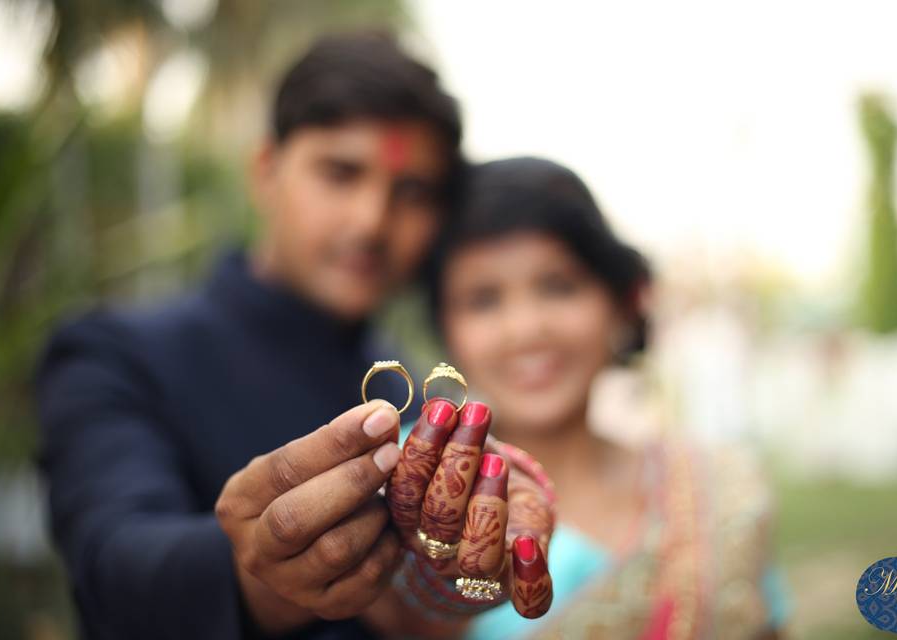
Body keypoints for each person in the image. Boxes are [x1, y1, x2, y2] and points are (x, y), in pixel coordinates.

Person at [35, 34, 553, 640]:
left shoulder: (414, 396)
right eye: (341, 173)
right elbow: (112, 564)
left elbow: (423, 607)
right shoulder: (115, 355)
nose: (371, 221)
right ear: (266, 170)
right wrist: (257, 575)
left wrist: (450, 581)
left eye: (411, 191)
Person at [425, 157, 791, 639]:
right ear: (445, 328)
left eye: (558, 287)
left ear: (618, 304)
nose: (527, 329)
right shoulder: (413, 490)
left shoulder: (716, 494)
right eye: (484, 299)